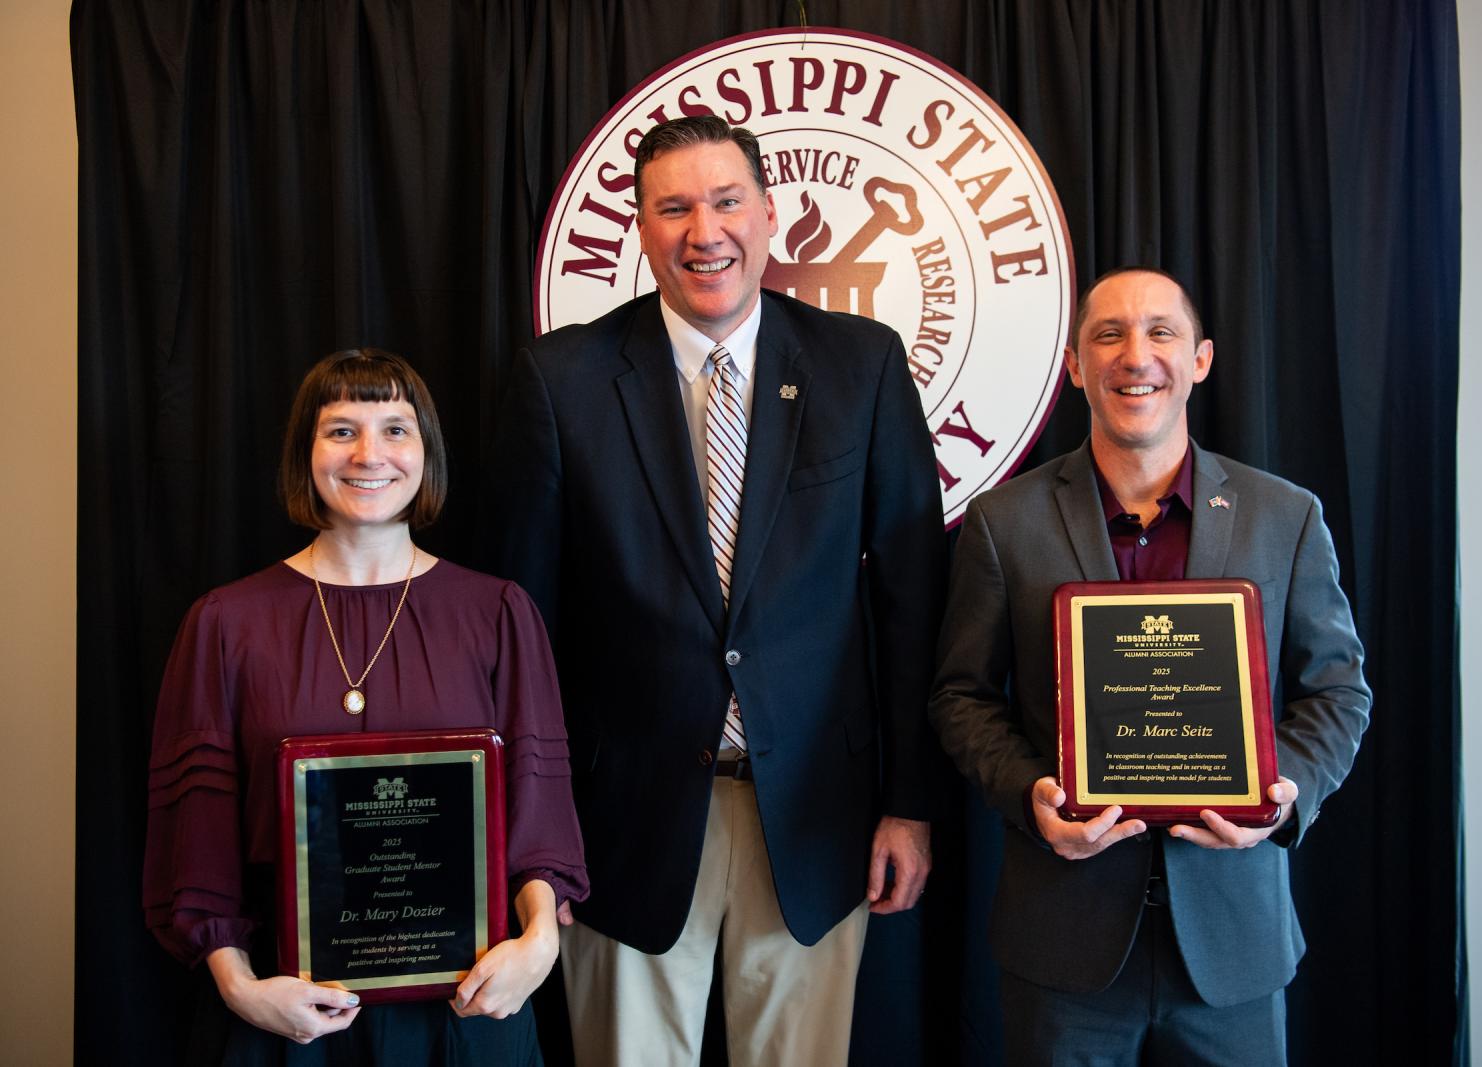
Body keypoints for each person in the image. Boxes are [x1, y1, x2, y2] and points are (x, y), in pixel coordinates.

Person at [486, 115, 946, 1066]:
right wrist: (534, 831)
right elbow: (521, 625)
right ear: (643, 230)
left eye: (727, 200)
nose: (706, 230)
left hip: (818, 817)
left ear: (770, 215)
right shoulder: (561, 379)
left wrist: (908, 800)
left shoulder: (863, 366)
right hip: (623, 822)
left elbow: (911, 605)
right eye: (675, 207)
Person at [929, 267, 1371, 1066]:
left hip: (1232, 940)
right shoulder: (1004, 522)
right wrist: (1030, 794)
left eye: (1161, 332)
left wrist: (1284, 794)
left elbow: (1339, 690)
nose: (1137, 356)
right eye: (1110, 334)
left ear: (1200, 358)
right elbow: (961, 697)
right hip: (1062, 947)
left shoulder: (1285, 516)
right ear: (1074, 365)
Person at [143, 348, 588, 1062]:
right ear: (306, 452)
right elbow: (199, 834)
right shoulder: (225, 624)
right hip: (288, 1014)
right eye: (341, 429)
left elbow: (538, 812)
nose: (369, 454)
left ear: (426, 452)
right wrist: (240, 986)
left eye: (394, 428)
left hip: (464, 1011)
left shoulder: (499, 612)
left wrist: (538, 944)